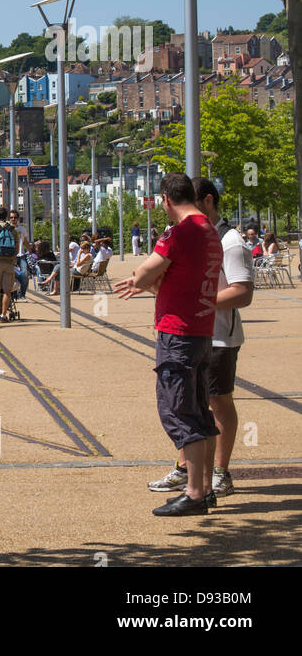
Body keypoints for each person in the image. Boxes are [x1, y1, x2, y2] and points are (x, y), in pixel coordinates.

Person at [114, 172, 222, 516]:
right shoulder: (209, 230)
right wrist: (152, 281)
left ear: (165, 200)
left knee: (179, 409)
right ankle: (204, 489)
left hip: (178, 333)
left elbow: (147, 273)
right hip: (203, 329)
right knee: (201, 409)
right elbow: (177, 279)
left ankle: (192, 494)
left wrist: (141, 279)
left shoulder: (180, 232)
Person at [148, 178, 253, 500]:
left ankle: (220, 473)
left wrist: (198, 303)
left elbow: (242, 292)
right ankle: (188, 472)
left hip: (220, 335)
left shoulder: (229, 240)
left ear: (207, 201)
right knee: (192, 405)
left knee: (217, 402)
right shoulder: (192, 235)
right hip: (194, 331)